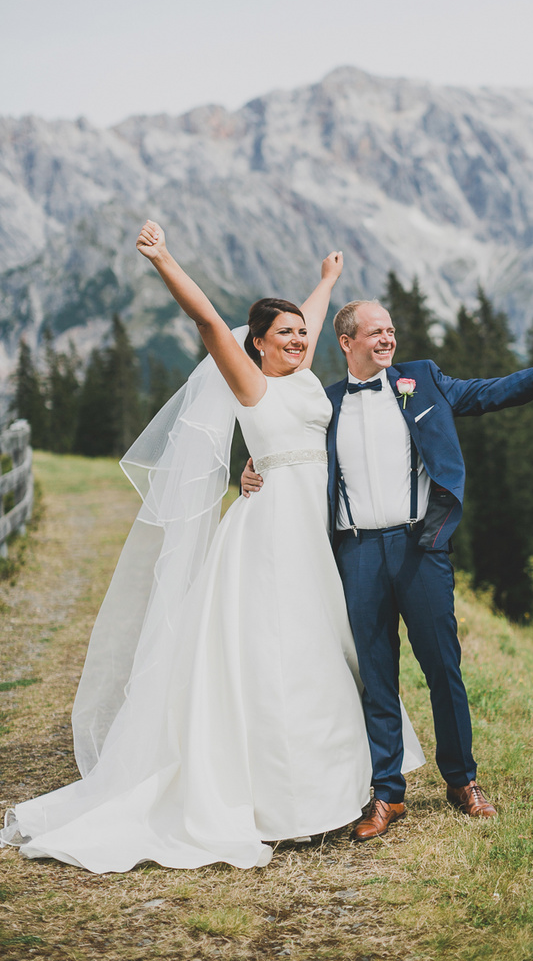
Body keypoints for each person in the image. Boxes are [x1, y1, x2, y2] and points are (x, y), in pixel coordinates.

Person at [0, 224, 423, 873]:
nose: (297, 339)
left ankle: (343, 788)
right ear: (254, 345)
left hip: (318, 527)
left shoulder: (304, 376)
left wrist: (327, 280)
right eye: (282, 335)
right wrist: (165, 258)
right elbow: (203, 319)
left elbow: (304, 320)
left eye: (300, 334)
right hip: (274, 530)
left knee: (329, 644)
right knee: (283, 651)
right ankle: (284, 804)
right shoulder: (249, 382)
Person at [242, 298, 533, 839]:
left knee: (442, 668)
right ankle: (387, 793)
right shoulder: (327, 402)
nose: (388, 339)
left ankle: (462, 780)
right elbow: (284, 443)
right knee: (375, 674)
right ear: (346, 341)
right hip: (356, 553)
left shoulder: (423, 381)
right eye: (375, 332)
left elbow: (493, 391)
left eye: (391, 330)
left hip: (419, 546)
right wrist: (249, 469)